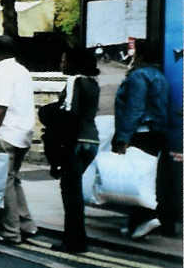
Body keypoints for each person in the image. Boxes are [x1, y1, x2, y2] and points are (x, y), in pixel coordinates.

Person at [111, 39, 171, 240]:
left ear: (141, 54)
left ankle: (149, 217)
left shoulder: (139, 76)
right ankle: (135, 223)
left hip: (141, 133)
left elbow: (134, 109)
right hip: (155, 132)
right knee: (144, 177)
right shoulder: (160, 76)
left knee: (136, 178)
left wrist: (123, 137)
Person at [0, 35, 37, 245]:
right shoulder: (21, 70)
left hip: (5, 134)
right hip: (22, 133)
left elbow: (1, 106)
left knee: (2, 183)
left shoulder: (2, 72)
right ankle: (26, 225)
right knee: (13, 179)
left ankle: (10, 232)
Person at [52, 47, 101, 253]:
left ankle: (74, 241)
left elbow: (69, 112)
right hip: (92, 140)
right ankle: (77, 239)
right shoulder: (93, 83)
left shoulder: (75, 80)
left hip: (75, 140)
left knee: (71, 193)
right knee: (75, 191)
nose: (61, 64)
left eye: (64, 60)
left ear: (74, 63)